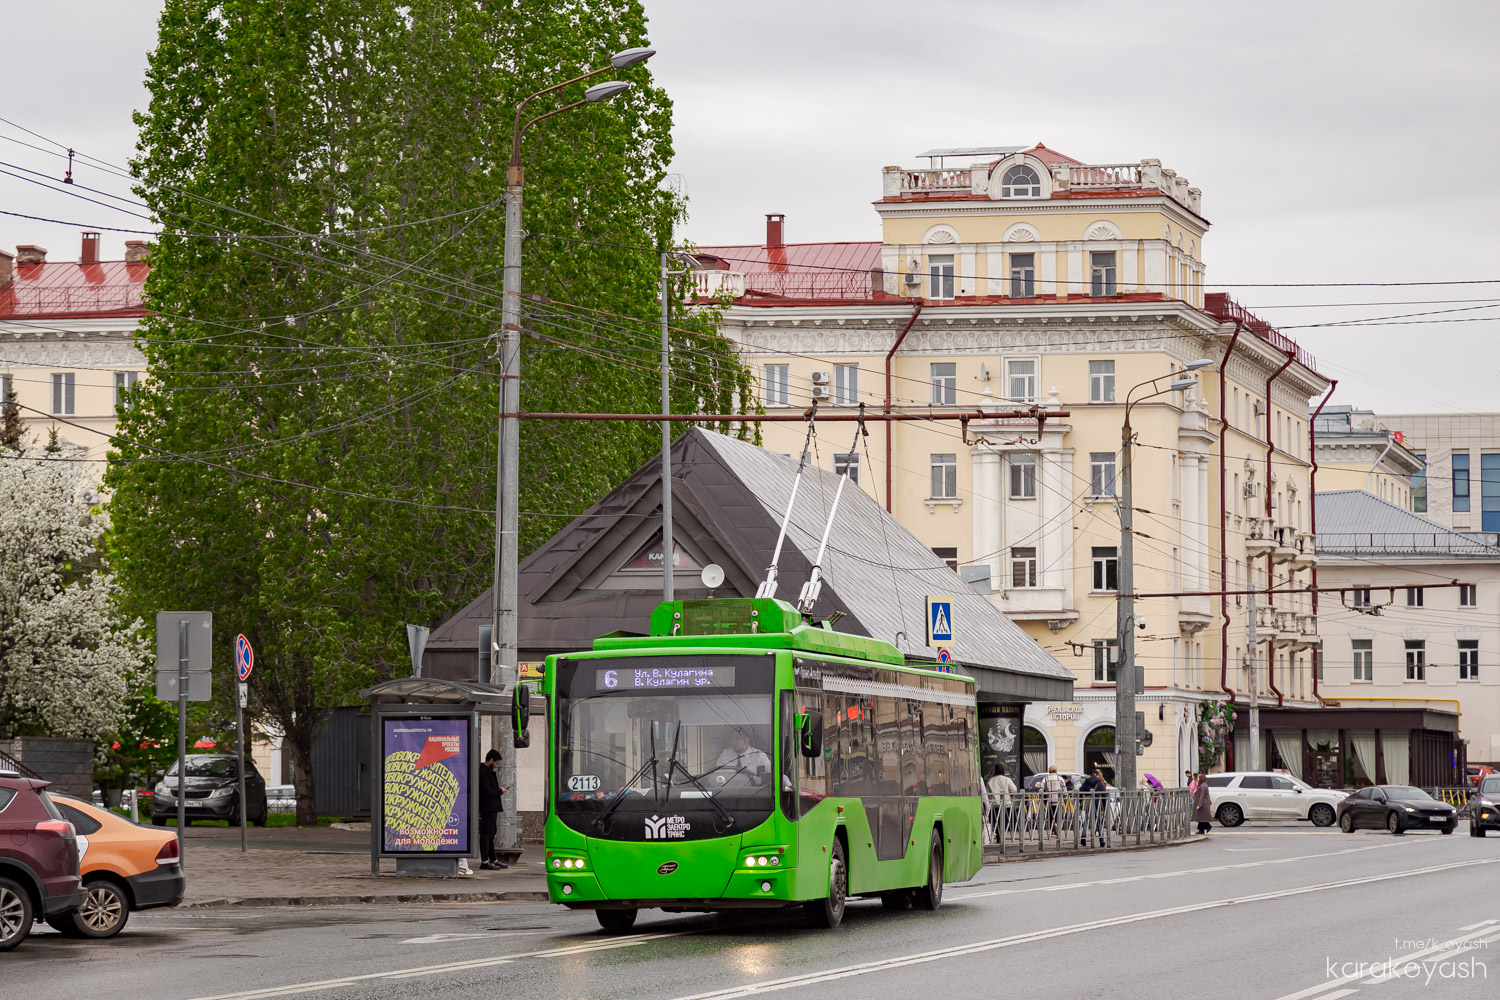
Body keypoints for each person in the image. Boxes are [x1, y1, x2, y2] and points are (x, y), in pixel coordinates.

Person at [479, 749, 510, 870]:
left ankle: (493, 859)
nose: (496, 765)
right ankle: (485, 861)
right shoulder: (484, 772)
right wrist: (500, 791)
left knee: (491, 835)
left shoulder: (486, 772)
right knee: (486, 835)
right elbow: (486, 791)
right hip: (487, 807)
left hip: (491, 807)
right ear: (491, 760)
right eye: (496, 763)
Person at [986, 764, 1017, 839]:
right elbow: (1014, 790)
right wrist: (1010, 796)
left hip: (995, 805)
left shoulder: (990, 780)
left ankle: (998, 833)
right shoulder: (1007, 779)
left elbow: (987, 793)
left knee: (995, 821)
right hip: (1006, 804)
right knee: (1005, 821)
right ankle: (1002, 834)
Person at [1080, 768, 1108, 846]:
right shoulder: (1099, 783)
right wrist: (1104, 807)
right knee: (1098, 821)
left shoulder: (1086, 782)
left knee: (1086, 819)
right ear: (1097, 775)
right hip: (1097, 804)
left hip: (1088, 803)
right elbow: (1104, 795)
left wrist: (1080, 801)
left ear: (1090, 775)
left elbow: (1081, 790)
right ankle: (1101, 840)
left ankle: (1083, 835)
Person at [1039, 765, 1068, 836]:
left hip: (1049, 800)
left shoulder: (1046, 779)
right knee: (1058, 814)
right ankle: (1056, 824)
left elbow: (1041, 789)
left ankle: (1052, 828)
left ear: (1049, 771)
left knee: (1050, 814)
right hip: (1058, 800)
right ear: (1056, 771)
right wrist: (1065, 798)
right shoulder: (1060, 778)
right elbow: (1064, 790)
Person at [1191, 770, 1213, 835]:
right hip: (1203, 804)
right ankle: (1203, 829)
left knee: (1201, 817)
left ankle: (1203, 829)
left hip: (1203, 804)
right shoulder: (1202, 785)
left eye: (1198, 778)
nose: (1197, 779)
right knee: (1201, 817)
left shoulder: (1203, 786)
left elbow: (1202, 796)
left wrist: (1199, 805)